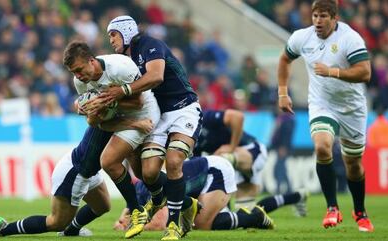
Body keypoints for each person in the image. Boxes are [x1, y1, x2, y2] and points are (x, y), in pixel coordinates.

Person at [86, 15, 202, 240]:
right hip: (158, 115)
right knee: (146, 173)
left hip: (183, 109)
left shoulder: (150, 44)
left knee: (174, 160)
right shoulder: (124, 61)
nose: (111, 40)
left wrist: (123, 91)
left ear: (127, 31)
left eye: (113, 34)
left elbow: (156, 76)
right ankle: (184, 203)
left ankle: (173, 226)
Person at [277, 0, 374, 232]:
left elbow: (365, 72)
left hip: (352, 108)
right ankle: (332, 207)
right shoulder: (302, 37)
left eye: (323, 17)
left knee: (353, 165)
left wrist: (332, 72)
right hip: (322, 104)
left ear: (334, 18)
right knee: (322, 147)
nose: (318, 21)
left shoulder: (350, 38)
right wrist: (282, 93)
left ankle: (360, 211)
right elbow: (284, 59)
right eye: (315, 16)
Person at [0, 117, 153, 237]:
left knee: (103, 205)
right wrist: (137, 124)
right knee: (56, 222)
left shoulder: (121, 107)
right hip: (75, 171)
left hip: (88, 170)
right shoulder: (111, 110)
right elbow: (102, 120)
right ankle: (5, 228)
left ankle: (71, 231)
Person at [63, 41, 162, 239]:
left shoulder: (120, 67)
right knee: (144, 174)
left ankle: (136, 211)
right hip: (122, 119)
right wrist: (89, 110)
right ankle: (183, 200)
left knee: (108, 161)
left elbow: (137, 102)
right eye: (74, 72)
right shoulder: (80, 83)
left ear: (91, 61)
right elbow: (95, 123)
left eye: (80, 70)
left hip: (143, 113)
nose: (78, 76)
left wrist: (106, 100)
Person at [114, 155, 275, 232]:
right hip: (202, 176)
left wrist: (130, 226)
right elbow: (126, 214)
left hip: (215, 170)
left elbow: (160, 224)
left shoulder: (157, 185)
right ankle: (248, 216)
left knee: (201, 224)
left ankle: (254, 217)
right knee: (197, 223)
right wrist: (122, 222)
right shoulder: (141, 186)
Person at [194, 109, 308, 215]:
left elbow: (238, 117)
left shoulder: (203, 118)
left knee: (220, 159)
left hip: (252, 151)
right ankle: (297, 196)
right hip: (234, 166)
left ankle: (225, 208)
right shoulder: (192, 142)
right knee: (246, 213)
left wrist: (232, 147)